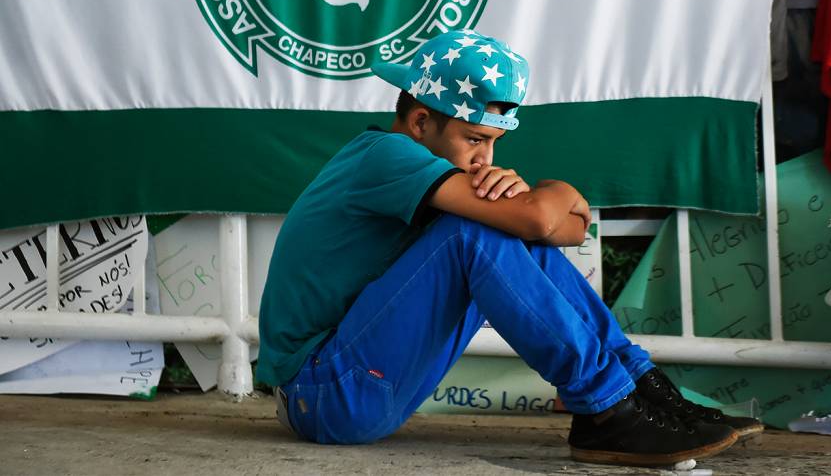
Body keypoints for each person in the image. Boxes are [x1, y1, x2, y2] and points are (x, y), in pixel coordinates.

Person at [256, 29, 763, 467]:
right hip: (323, 394)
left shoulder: (437, 170)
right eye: (475, 139)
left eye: (494, 143)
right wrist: (562, 190)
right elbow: (546, 219)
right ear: (419, 124)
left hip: (353, 386)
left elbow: (566, 233)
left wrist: (546, 212)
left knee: (498, 231)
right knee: (476, 233)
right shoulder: (386, 155)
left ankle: (639, 390)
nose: (485, 158)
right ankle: (606, 409)